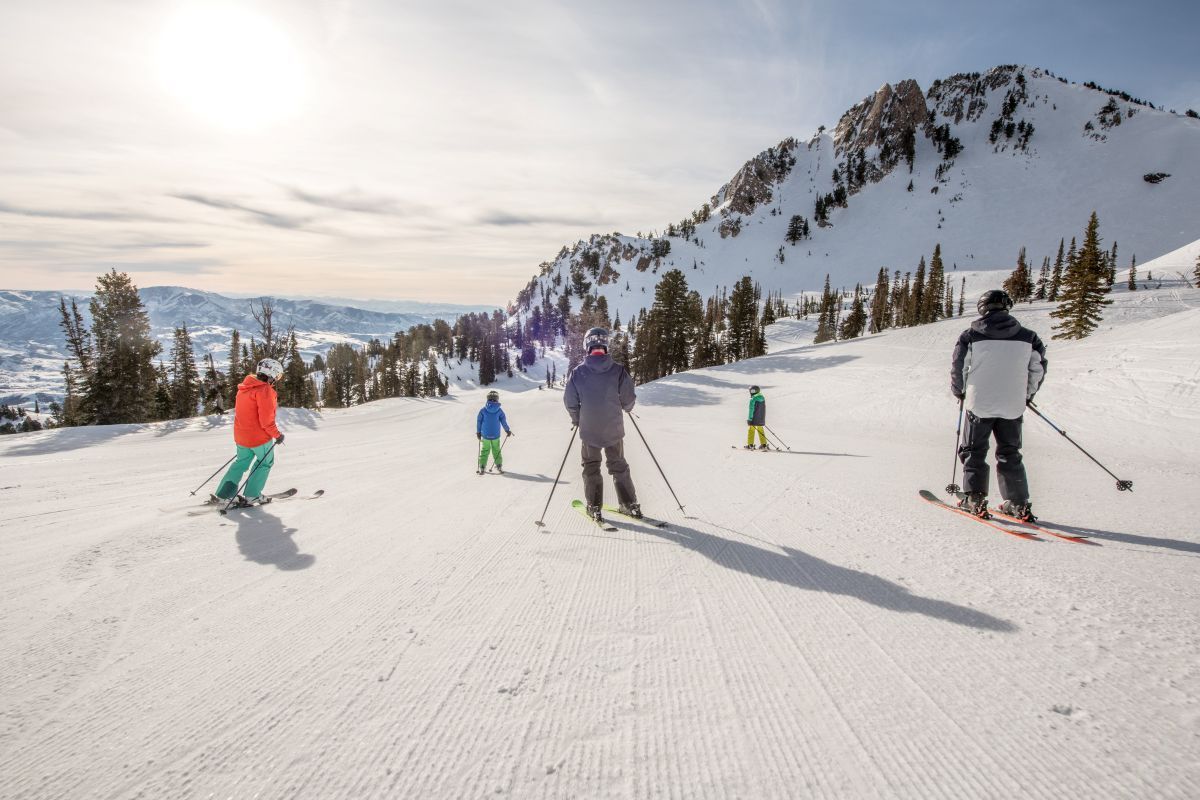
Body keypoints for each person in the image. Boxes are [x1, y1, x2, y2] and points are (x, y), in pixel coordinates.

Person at [950, 289, 1047, 521]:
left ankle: (974, 498)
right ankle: (1018, 503)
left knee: (974, 450)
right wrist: (1027, 395)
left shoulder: (971, 335)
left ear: (983, 308)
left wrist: (959, 391)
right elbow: (1037, 369)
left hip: (980, 402)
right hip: (1013, 404)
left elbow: (959, 365)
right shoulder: (1028, 337)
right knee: (1010, 452)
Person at [563, 327, 640, 521]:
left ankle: (594, 507)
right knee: (618, 465)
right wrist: (626, 407)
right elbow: (629, 400)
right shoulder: (618, 371)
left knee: (591, 466)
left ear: (586, 346)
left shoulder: (577, 373)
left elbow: (570, 401)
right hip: (614, 429)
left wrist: (577, 418)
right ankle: (629, 505)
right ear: (606, 345)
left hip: (589, 430)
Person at [213, 358, 286, 506]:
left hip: (241, 436)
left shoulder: (244, 388)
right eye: (277, 376)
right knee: (265, 463)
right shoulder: (265, 391)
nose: (276, 380)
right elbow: (266, 421)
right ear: (271, 374)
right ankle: (253, 495)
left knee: (241, 463)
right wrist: (277, 435)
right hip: (258, 437)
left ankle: (223, 495)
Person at [476, 389, 513, 474]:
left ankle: (482, 466)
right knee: (496, 450)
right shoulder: (499, 410)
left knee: (485, 450)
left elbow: (479, 421)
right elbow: (503, 421)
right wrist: (507, 430)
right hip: (496, 435)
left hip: (485, 435)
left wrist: (478, 432)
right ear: (497, 399)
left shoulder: (483, 410)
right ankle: (499, 465)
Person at [746, 385, 767, 450]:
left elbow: (751, 409)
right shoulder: (762, 398)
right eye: (751, 391)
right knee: (760, 430)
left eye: (753, 391)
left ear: (757, 391)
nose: (751, 392)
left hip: (754, 419)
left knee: (751, 430)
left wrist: (749, 419)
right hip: (761, 418)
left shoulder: (753, 399)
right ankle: (764, 445)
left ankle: (750, 445)